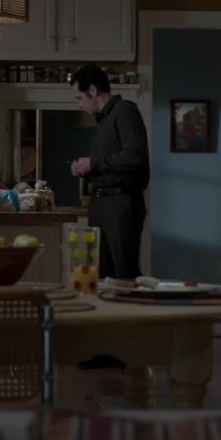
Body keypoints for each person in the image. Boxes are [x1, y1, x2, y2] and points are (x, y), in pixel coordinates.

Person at [69, 65, 149, 280]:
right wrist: (86, 169)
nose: (79, 104)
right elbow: (109, 165)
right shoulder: (103, 119)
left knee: (124, 273)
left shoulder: (125, 111)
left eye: (79, 98)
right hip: (101, 203)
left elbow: (135, 155)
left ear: (93, 90)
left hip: (121, 203)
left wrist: (94, 163)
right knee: (101, 275)